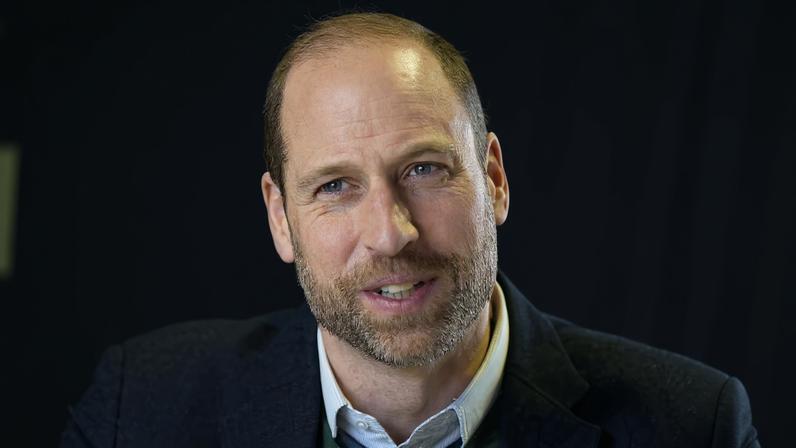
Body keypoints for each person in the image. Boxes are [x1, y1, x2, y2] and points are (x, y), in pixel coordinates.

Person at [61, 12, 760, 448]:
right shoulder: (143, 408)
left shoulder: (690, 425)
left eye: (424, 169)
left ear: (493, 178)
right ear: (280, 217)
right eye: (335, 186)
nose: (390, 234)